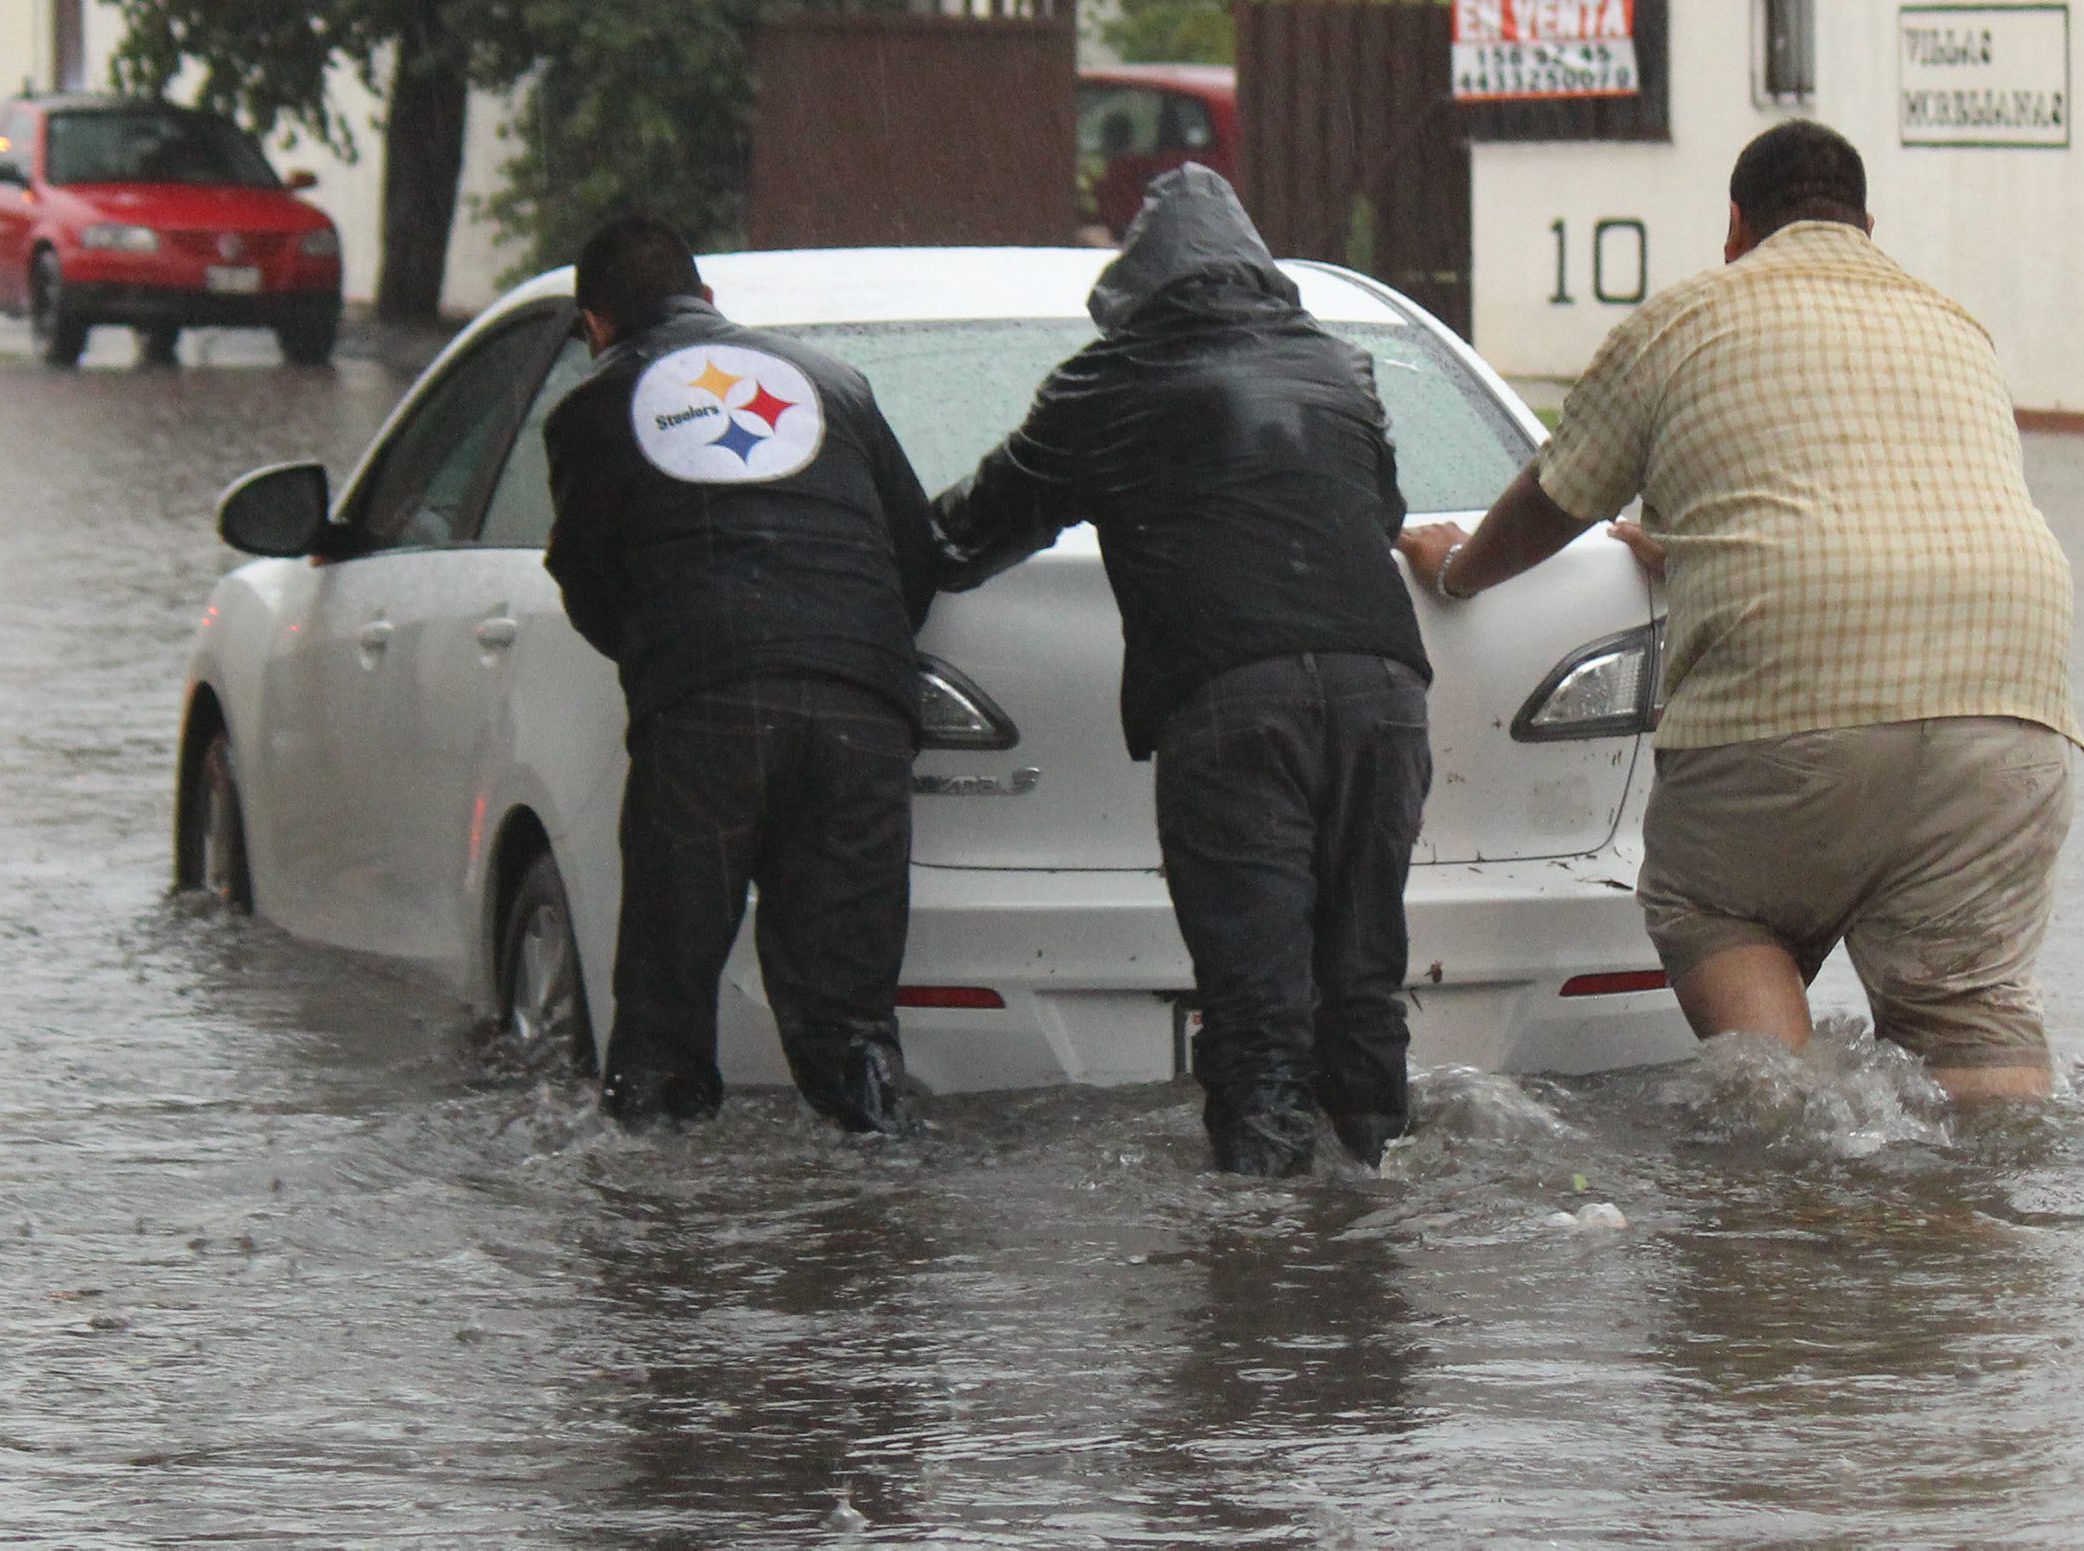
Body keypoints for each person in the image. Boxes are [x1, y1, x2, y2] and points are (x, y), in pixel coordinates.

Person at [1399, 121, 2083, 1103]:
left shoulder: (1684, 320)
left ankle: (1781, 1157)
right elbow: (1857, 502)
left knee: (1712, 906)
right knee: (1967, 1012)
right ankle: (1980, 1232)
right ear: (1865, 224)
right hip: (2008, 703)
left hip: (1791, 701)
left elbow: (1555, 497)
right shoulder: (1952, 325)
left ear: (1733, 226)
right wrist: (1688, 541)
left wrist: (1456, 570)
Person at [933, 165, 1434, 1176]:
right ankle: (1375, 1216)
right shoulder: (1340, 366)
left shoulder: (1106, 383)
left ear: (1133, 282)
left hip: (1234, 705)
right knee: (1362, 983)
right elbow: (1375, 518)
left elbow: (970, 534)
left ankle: (1260, 1274)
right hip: (1382, 694)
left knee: (1254, 1009)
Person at [542, 213, 936, 1133]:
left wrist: (679, 659)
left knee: (666, 1009)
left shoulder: (594, 409)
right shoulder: (836, 385)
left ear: (595, 325)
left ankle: (655, 1237)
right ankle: (884, 1202)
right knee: (848, 1021)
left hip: (706, 713)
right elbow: (912, 556)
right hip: (863, 707)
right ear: (709, 300)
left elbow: (588, 579)